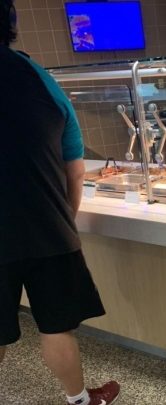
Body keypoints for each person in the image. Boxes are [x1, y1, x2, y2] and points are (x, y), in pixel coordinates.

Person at [0, 1, 120, 404]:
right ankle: (81, 401)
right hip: (47, 228)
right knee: (56, 326)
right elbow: (76, 168)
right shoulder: (37, 77)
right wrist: (63, 222)